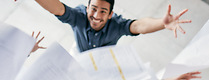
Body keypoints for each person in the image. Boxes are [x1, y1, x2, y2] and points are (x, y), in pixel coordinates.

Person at [33, 0, 191, 52]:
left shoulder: (116, 24)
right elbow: (58, 8)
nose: (96, 16)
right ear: (87, 8)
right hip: (79, 54)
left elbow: (138, 26)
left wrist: (162, 24)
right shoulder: (79, 16)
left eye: (103, 12)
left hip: (105, 60)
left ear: (110, 14)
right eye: (93, 9)